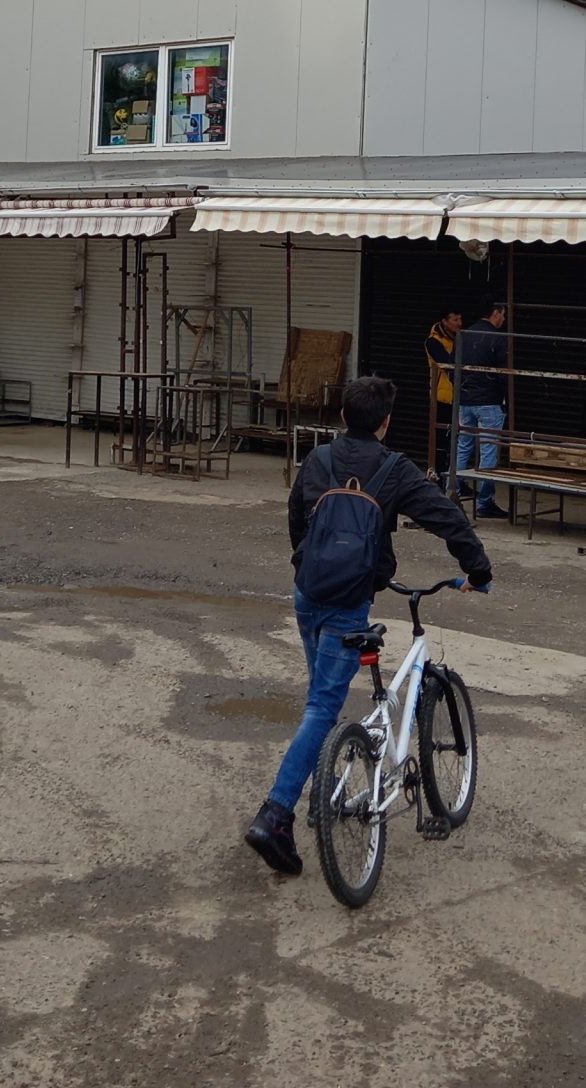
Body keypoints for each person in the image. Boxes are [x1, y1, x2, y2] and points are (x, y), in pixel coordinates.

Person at [243, 375, 491, 876]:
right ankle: (275, 814)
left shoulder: (318, 459)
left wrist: (306, 563)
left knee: (321, 700)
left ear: (341, 417)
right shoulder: (394, 469)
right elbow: (446, 517)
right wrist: (478, 569)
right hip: (348, 602)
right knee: (322, 707)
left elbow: (297, 518)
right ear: (385, 422)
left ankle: (323, 799)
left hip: (308, 593)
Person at [453, 299, 511, 520]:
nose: (504, 319)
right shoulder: (498, 338)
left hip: (465, 400)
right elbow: (504, 373)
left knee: (463, 446)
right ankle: (484, 503)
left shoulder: (463, 334)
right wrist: (504, 399)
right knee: (488, 450)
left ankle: (454, 493)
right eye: (503, 314)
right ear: (496, 313)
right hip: (489, 401)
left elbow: (450, 366)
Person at [424, 307, 461, 439]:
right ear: (445, 321)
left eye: (460, 319)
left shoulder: (458, 338)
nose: (459, 323)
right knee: (441, 436)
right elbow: (448, 364)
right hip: (442, 397)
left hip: (459, 396)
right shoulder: (433, 341)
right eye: (455, 320)